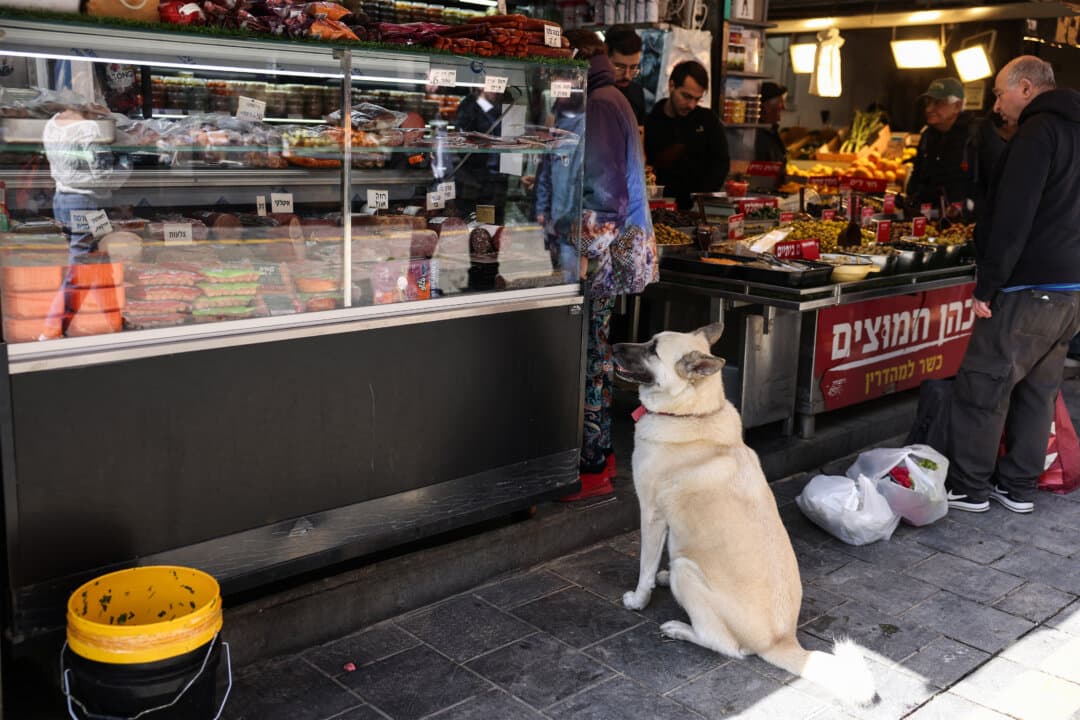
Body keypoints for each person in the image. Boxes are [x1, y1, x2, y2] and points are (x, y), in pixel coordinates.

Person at [944, 56, 1080, 515]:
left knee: (985, 382)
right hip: (1071, 288)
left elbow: (1012, 217)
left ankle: (967, 486)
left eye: (1000, 92)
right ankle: (1018, 485)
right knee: (1038, 388)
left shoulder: (1038, 132)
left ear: (1025, 87)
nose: (997, 103)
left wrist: (988, 286)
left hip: (1029, 285)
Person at [558, 29, 658, 500]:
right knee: (595, 350)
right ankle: (600, 455)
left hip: (602, 252)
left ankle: (592, 466)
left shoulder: (598, 102)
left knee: (592, 355)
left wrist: (583, 255)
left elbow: (602, 194)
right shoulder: (607, 97)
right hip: (614, 248)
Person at [644, 60, 729, 210]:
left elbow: (721, 163)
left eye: (697, 99)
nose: (691, 105)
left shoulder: (707, 120)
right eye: (686, 96)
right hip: (660, 209)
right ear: (671, 86)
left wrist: (700, 201)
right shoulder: (651, 122)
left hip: (699, 209)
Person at [904, 77, 982, 219]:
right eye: (928, 102)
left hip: (966, 225)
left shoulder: (978, 134)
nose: (929, 109)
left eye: (938, 103)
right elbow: (917, 177)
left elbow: (993, 183)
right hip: (928, 222)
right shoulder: (927, 136)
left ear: (957, 106)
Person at [453, 89, 509, 223]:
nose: (496, 91)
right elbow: (462, 142)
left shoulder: (499, 106)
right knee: (473, 225)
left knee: (493, 226)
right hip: (474, 181)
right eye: (492, 86)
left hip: (497, 180)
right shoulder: (469, 105)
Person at [604, 25, 646, 125]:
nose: (627, 76)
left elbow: (640, 133)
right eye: (619, 66)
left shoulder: (637, 93)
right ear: (605, 57)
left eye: (633, 68)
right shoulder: (590, 92)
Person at [753, 80, 788, 186]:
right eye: (779, 102)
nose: (783, 107)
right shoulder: (756, 135)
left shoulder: (772, 132)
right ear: (765, 107)